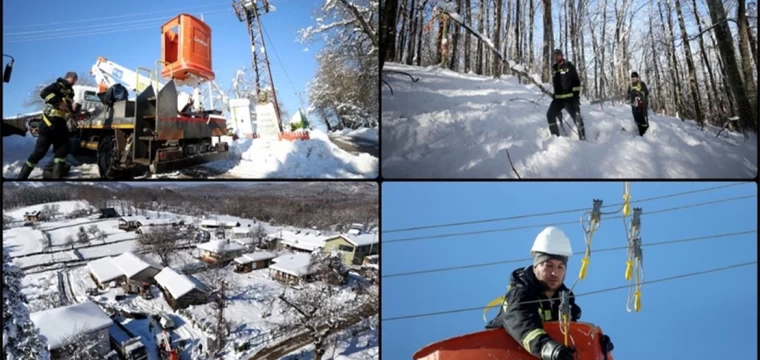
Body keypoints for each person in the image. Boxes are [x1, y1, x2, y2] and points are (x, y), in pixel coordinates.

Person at [486, 226, 613, 360]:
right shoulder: (520, 294)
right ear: (535, 267)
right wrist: (547, 348)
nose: (554, 273)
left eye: (560, 267)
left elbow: (569, 337)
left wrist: (595, 344)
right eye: (548, 265)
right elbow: (522, 324)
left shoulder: (565, 301)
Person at [17, 72, 78, 179]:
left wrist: (74, 111)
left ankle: (56, 179)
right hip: (48, 123)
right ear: (68, 78)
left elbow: (67, 108)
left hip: (61, 124)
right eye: (73, 80)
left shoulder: (71, 92)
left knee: (62, 152)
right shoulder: (57, 85)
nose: (74, 82)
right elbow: (44, 93)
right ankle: (21, 178)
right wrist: (58, 102)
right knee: (39, 152)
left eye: (75, 81)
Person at [546, 49, 586, 140]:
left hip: (570, 99)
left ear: (562, 56)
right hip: (558, 100)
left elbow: (576, 83)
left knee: (577, 118)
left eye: (557, 55)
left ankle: (583, 139)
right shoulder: (554, 69)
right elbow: (557, 85)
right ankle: (555, 138)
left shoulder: (569, 67)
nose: (556, 57)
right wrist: (555, 95)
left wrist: (576, 99)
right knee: (550, 115)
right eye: (554, 55)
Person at [627, 72, 650, 136]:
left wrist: (639, 94)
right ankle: (640, 129)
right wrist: (629, 97)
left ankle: (644, 132)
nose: (633, 78)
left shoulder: (641, 84)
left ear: (637, 77)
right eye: (632, 77)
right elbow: (628, 94)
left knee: (641, 117)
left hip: (641, 104)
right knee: (636, 118)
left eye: (635, 77)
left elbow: (646, 92)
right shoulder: (630, 85)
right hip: (634, 104)